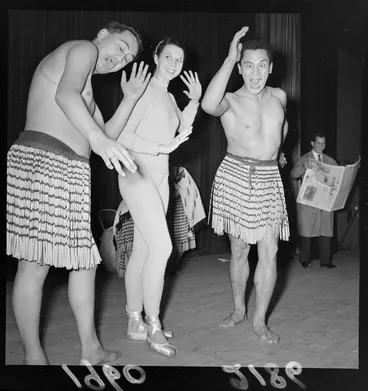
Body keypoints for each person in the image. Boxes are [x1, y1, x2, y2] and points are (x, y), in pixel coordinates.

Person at [6, 21, 152, 365]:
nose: (121, 58)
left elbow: (103, 133)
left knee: (84, 262)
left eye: (127, 57)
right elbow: (64, 95)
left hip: (70, 171)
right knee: (35, 262)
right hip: (43, 159)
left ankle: (91, 349)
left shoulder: (87, 89)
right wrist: (99, 140)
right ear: (103, 34)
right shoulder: (82, 49)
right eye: (120, 47)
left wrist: (129, 100)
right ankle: (34, 358)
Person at [201, 27, 289, 344]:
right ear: (240, 68)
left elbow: (282, 127)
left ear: (270, 66)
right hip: (237, 176)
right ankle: (239, 309)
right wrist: (228, 58)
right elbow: (207, 106)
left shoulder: (279, 96)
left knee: (270, 250)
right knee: (240, 250)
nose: (255, 72)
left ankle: (259, 321)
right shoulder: (229, 100)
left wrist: (277, 153)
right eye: (248, 65)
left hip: (268, 179)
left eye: (261, 64)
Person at [116, 37, 202, 357]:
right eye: (168, 57)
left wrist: (194, 101)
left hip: (160, 177)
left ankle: (134, 322)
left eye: (179, 60)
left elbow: (182, 128)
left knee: (143, 250)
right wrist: (159, 148)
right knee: (164, 247)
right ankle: (153, 326)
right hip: (136, 173)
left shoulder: (166, 96)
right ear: (156, 56)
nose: (174, 64)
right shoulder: (144, 90)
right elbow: (121, 134)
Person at [291, 133, 338, 268]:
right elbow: (294, 174)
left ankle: (326, 261)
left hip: (325, 199)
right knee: (307, 229)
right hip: (309, 199)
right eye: (318, 143)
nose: (321, 146)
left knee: (326, 229)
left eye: (323, 143)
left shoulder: (330, 160)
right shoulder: (305, 158)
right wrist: (304, 167)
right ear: (312, 143)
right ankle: (304, 260)